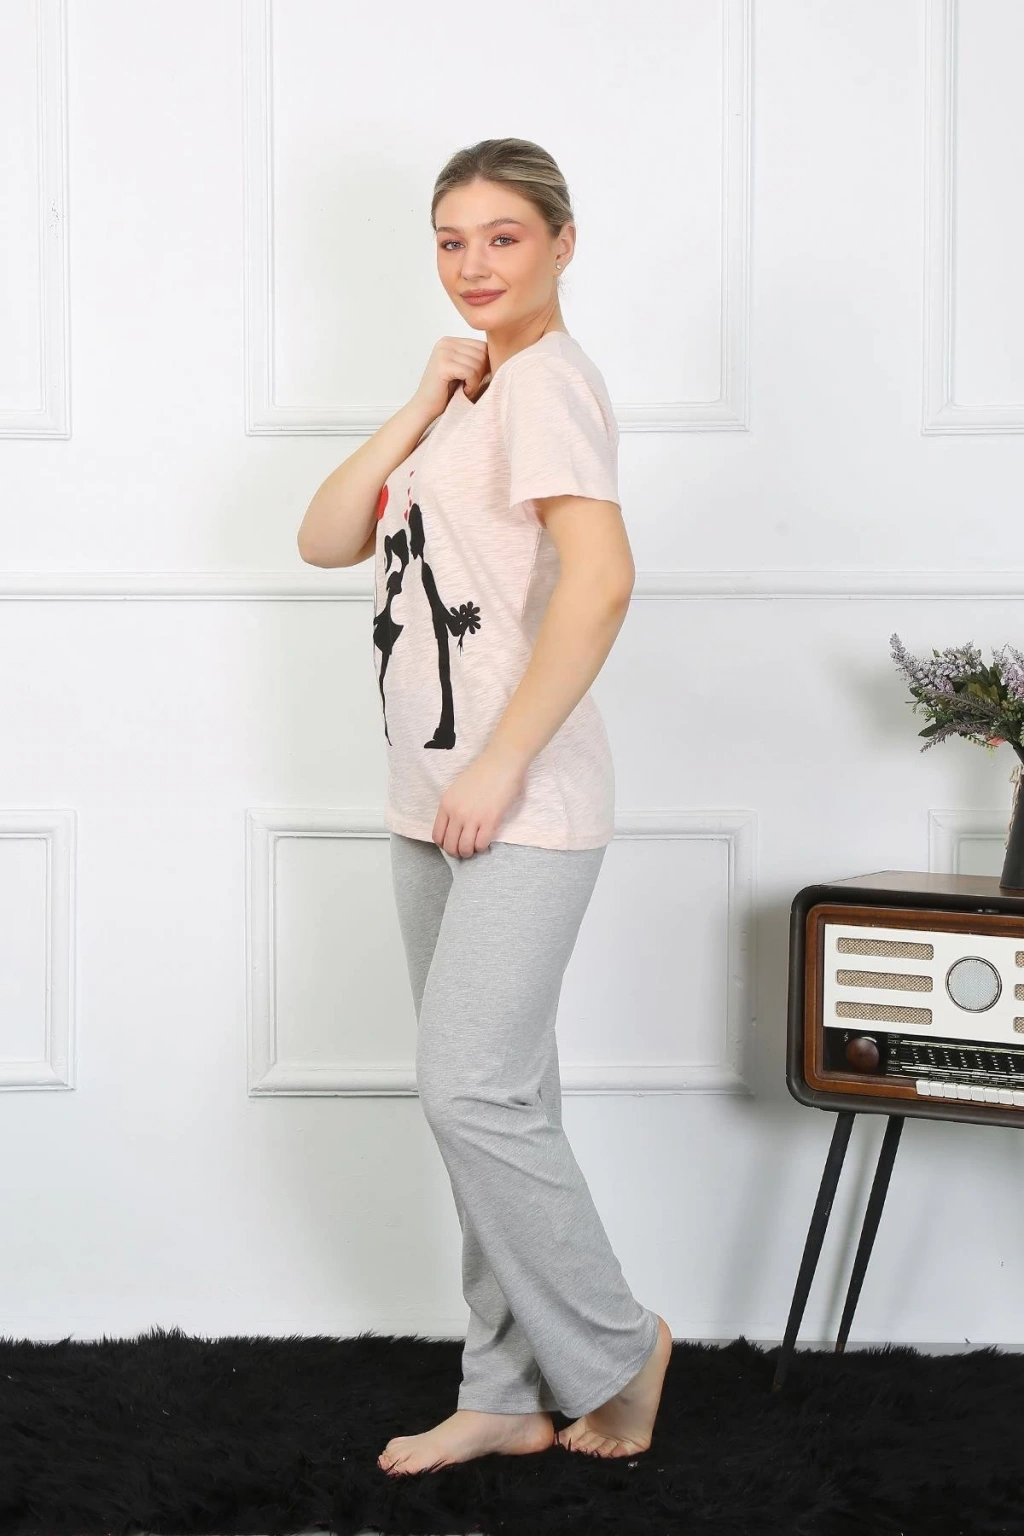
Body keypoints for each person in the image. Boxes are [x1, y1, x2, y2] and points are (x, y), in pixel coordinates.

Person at [298, 137, 672, 1476]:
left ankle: (618, 1348)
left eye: (503, 237)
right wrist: (421, 399)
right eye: (451, 240)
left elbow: (604, 580)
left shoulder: (550, 385)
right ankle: (506, 1389)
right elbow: (325, 537)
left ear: (564, 244)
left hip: (518, 797)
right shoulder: (476, 391)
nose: (472, 264)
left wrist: (505, 761)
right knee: (502, 1101)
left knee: (471, 1097)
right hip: (431, 800)